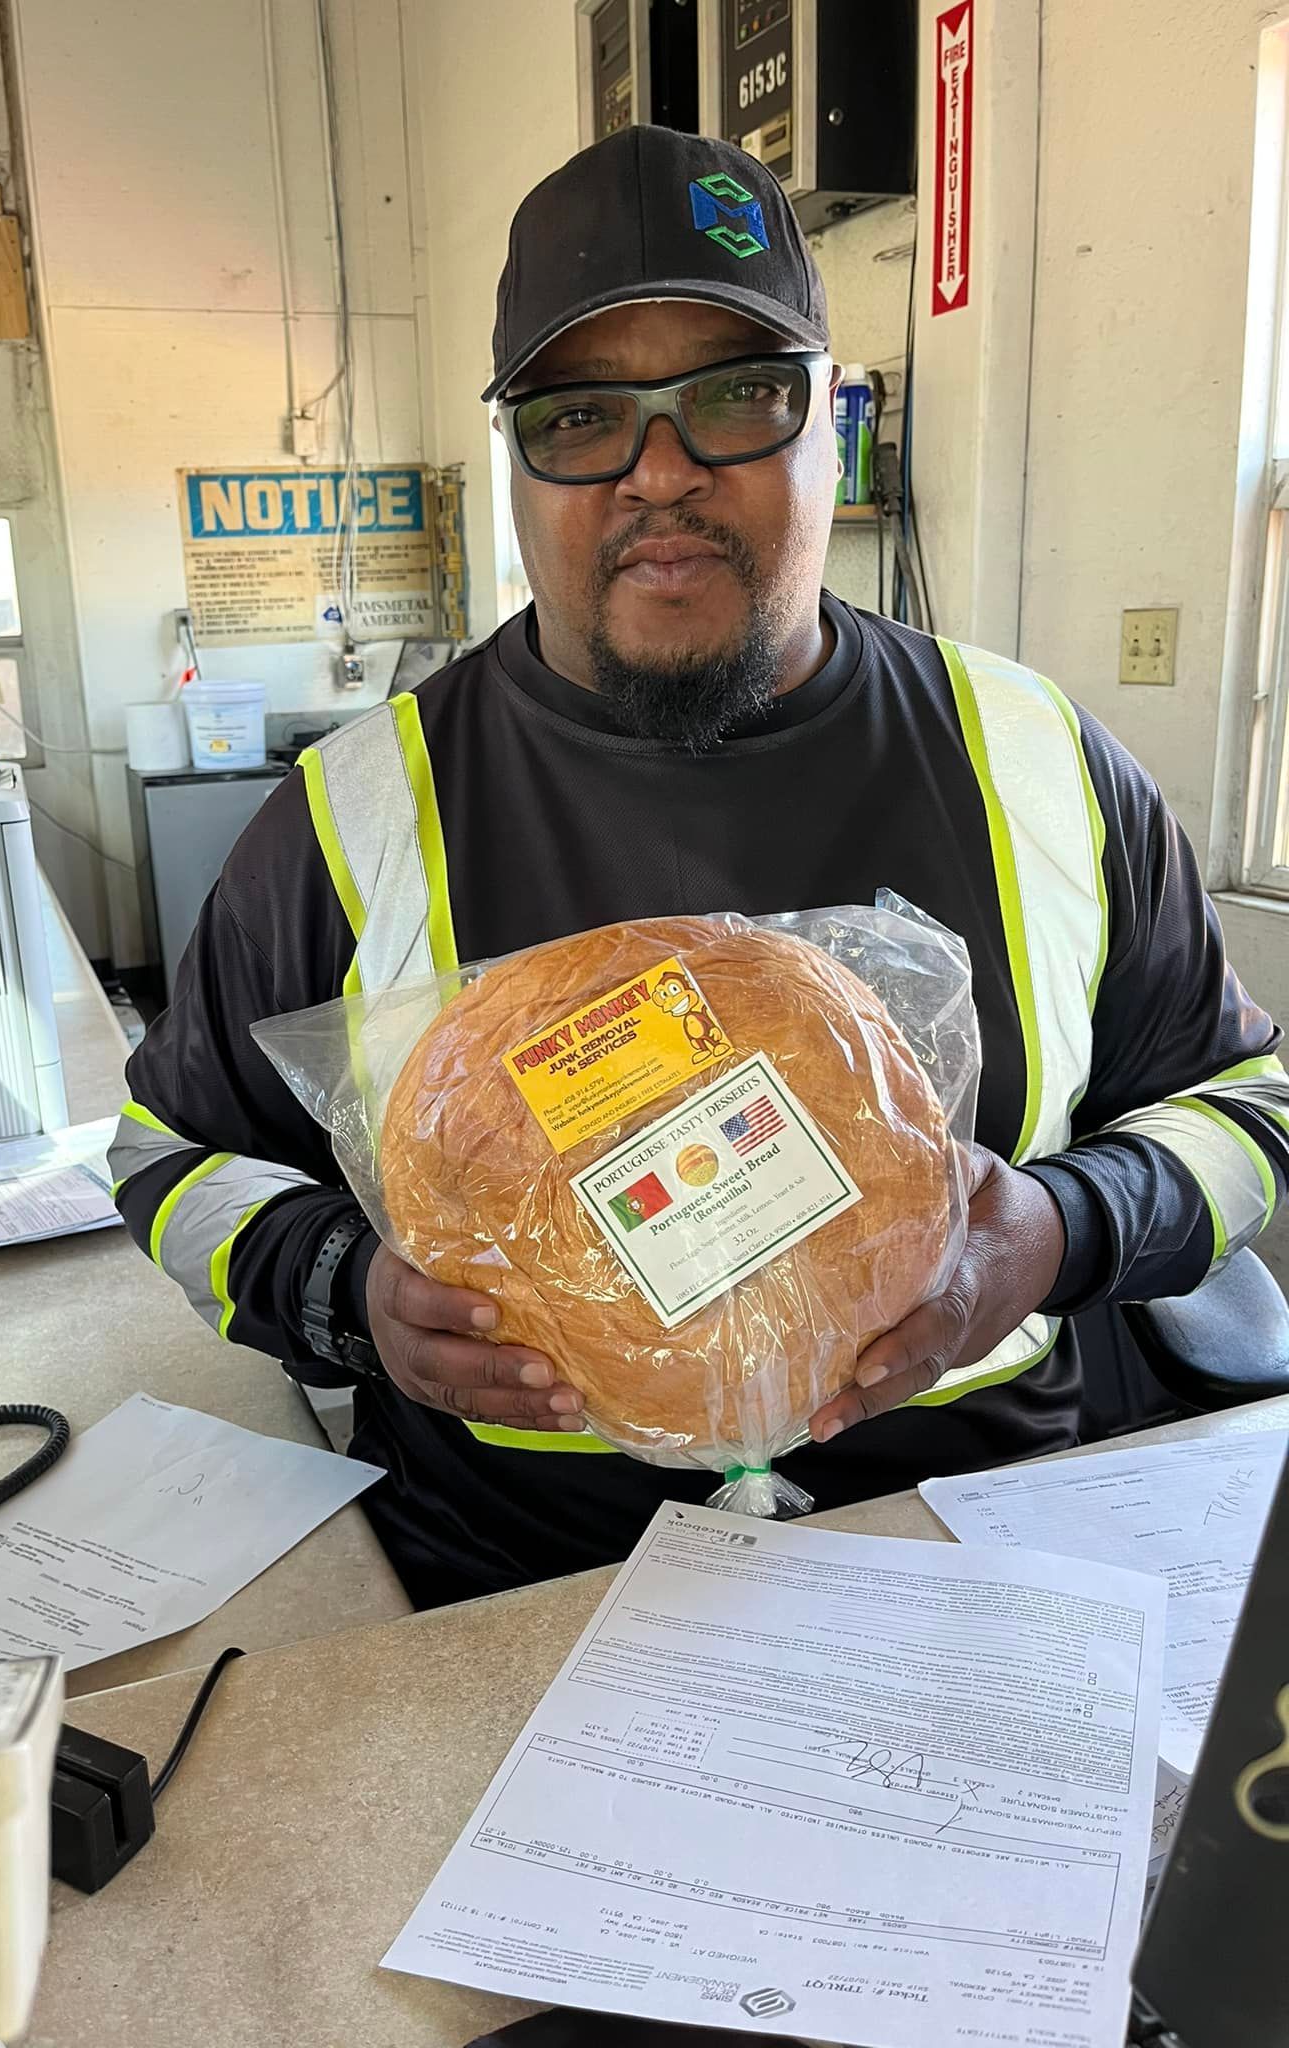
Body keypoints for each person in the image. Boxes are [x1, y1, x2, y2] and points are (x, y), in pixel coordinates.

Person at [112, 127, 1289, 1609]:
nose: (660, 473)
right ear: (519, 458)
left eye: (736, 396)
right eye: (583, 415)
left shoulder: (1038, 757)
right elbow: (166, 1157)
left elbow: (1249, 1108)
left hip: (979, 1542)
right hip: (523, 1585)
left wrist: (1061, 1231)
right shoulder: (351, 815)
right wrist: (347, 1296)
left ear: (828, 422)